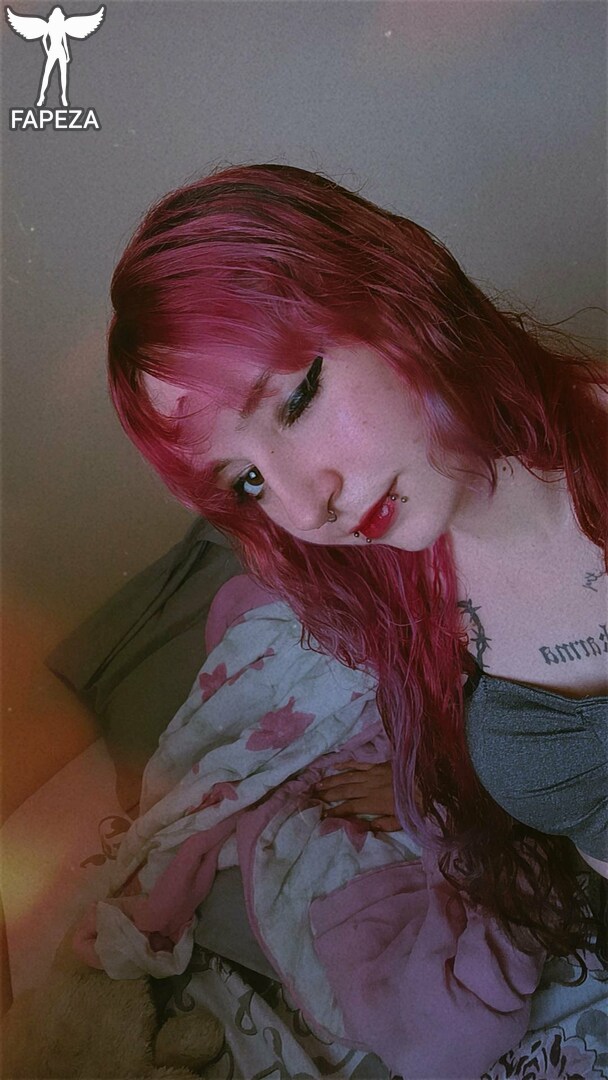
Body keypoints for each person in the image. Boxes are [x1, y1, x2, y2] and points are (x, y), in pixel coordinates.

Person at [107, 163, 607, 967]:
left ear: (392, 297)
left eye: (297, 400)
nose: (307, 510)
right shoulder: (401, 580)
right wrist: (439, 790)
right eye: (248, 480)